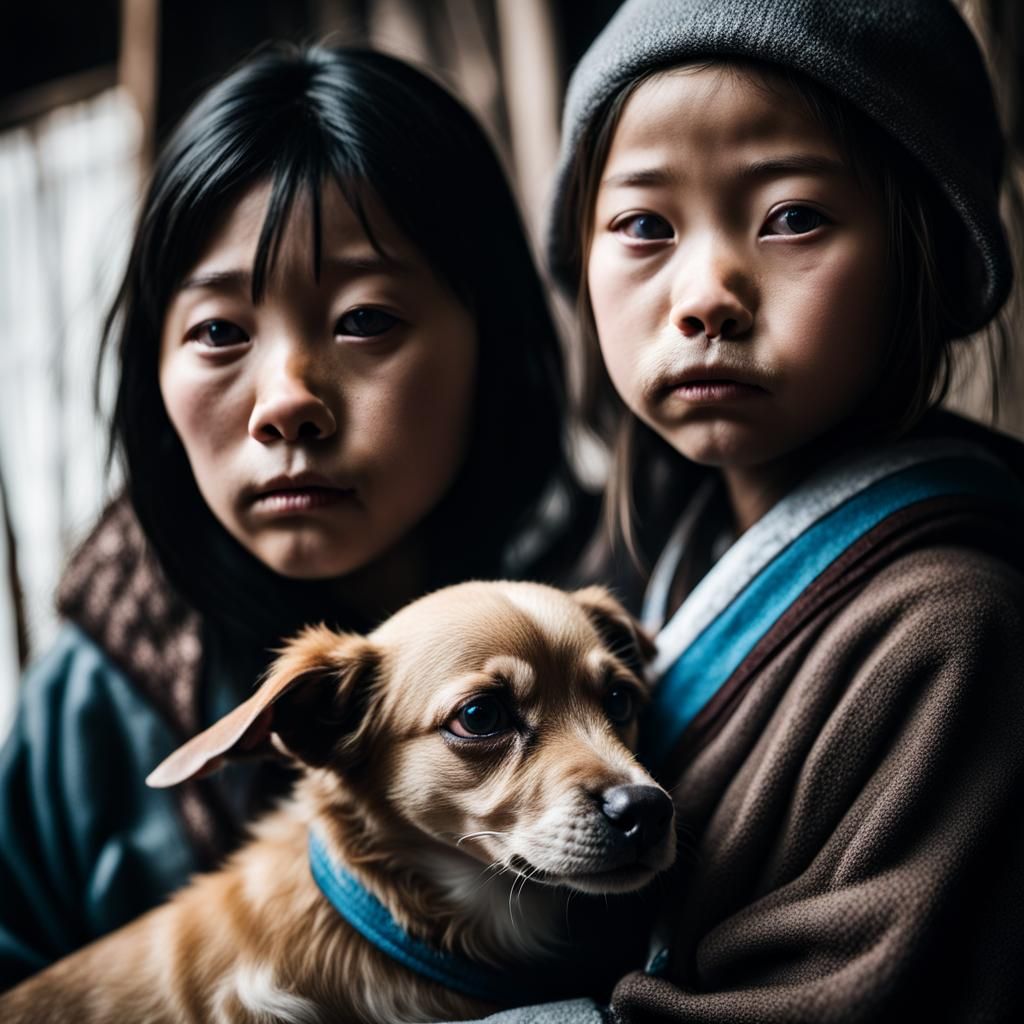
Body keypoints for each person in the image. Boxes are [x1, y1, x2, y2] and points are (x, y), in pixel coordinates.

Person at [454, 1, 1024, 1021]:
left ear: (922, 253)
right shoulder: (632, 557)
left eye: (791, 215)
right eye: (643, 225)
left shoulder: (959, 629)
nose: (705, 292)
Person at [0, 44, 586, 990]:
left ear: (496, 337)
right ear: (154, 376)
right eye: (220, 332)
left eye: (364, 319)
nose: (286, 401)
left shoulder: (612, 627)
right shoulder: (88, 705)